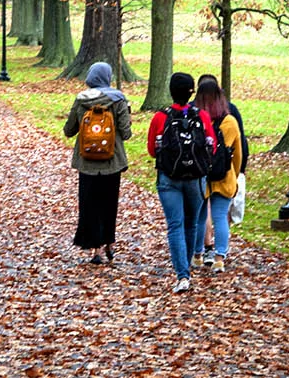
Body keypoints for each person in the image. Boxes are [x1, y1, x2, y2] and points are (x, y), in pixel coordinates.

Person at [148, 71, 217, 293]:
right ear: (191, 93)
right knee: (191, 223)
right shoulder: (202, 117)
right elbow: (211, 147)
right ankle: (186, 266)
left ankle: (182, 275)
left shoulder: (161, 117)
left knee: (175, 225)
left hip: (169, 177)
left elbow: (152, 150)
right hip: (196, 178)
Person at [63, 62, 132, 264]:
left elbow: (69, 130)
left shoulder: (81, 99)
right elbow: (125, 133)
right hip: (112, 161)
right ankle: (109, 242)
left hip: (87, 162)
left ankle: (95, 250)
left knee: (90, 205)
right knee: (109, 204)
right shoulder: (118, 99)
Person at [191, 77, 244, 274]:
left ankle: (197, 255)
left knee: (200, 216)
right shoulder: (229, 121)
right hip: (223, 176)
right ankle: (219, 257)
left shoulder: (196, 119)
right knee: (220, 216)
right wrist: (236, 174)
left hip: (200, 175)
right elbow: (237, 153)